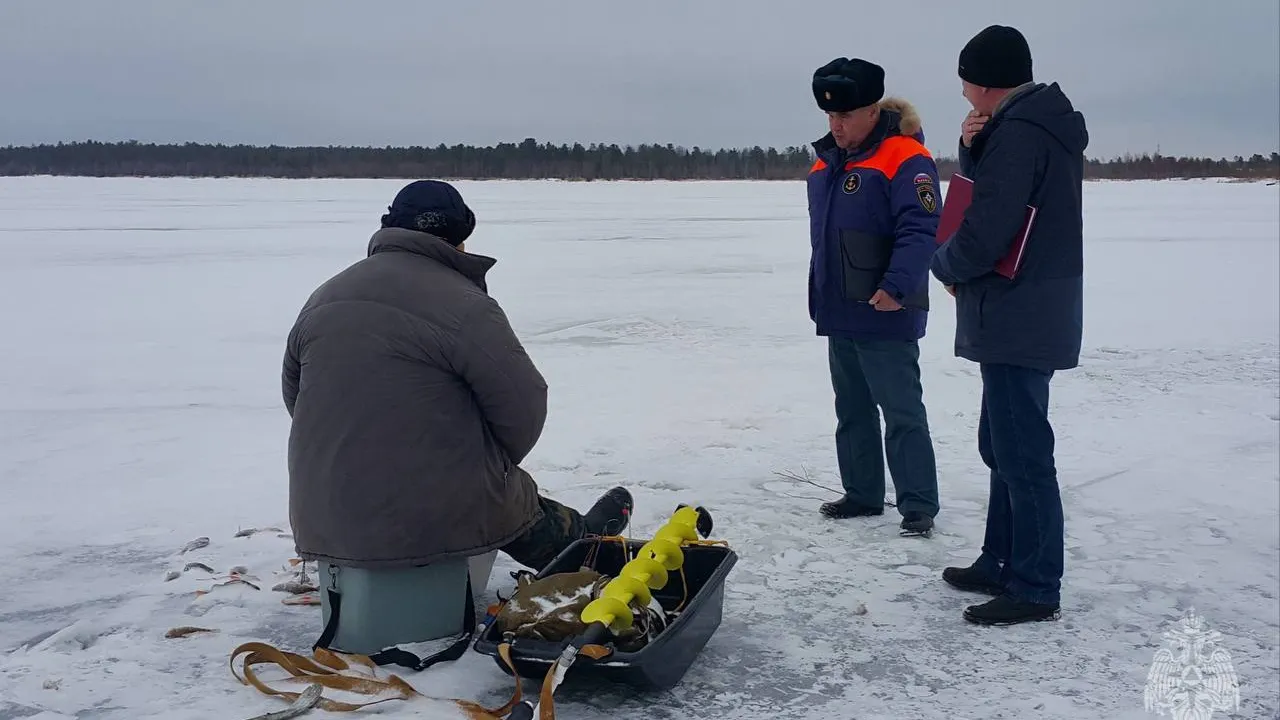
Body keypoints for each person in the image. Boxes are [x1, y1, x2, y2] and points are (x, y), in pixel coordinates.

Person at [282, 179, 633, 575]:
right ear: (461, 238)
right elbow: (524, 405)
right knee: (499, 498)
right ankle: (581, 545)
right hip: (428, 518)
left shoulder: (324, 296)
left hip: (323, 516)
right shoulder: (464, 304)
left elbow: (295, 397)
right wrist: (489, 465)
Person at [930, 25, 1088, 625]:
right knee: (1003, 443)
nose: (964, 93)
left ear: (983, 80)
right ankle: (1001, 558)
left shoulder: (1020, 134)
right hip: (1028, 305)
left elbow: (987, 225)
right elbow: (994, 197)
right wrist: (974, 148)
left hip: (1019, 307)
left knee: (1022, 451)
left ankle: (1035, 584)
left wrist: (942, 262)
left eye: (966, 81)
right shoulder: (1025, 127)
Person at [806, 57, 942, 536]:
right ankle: (862, 493)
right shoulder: (825, 161)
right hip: (840, 307)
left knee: (901, 409)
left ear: (871, 111)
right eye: (830, 116)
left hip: (886, 308)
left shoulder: (905, 157)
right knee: (852, 407)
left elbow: (921, 227)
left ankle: (919, 504)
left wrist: (896, 287)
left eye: (845, 116)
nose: (835, 125)